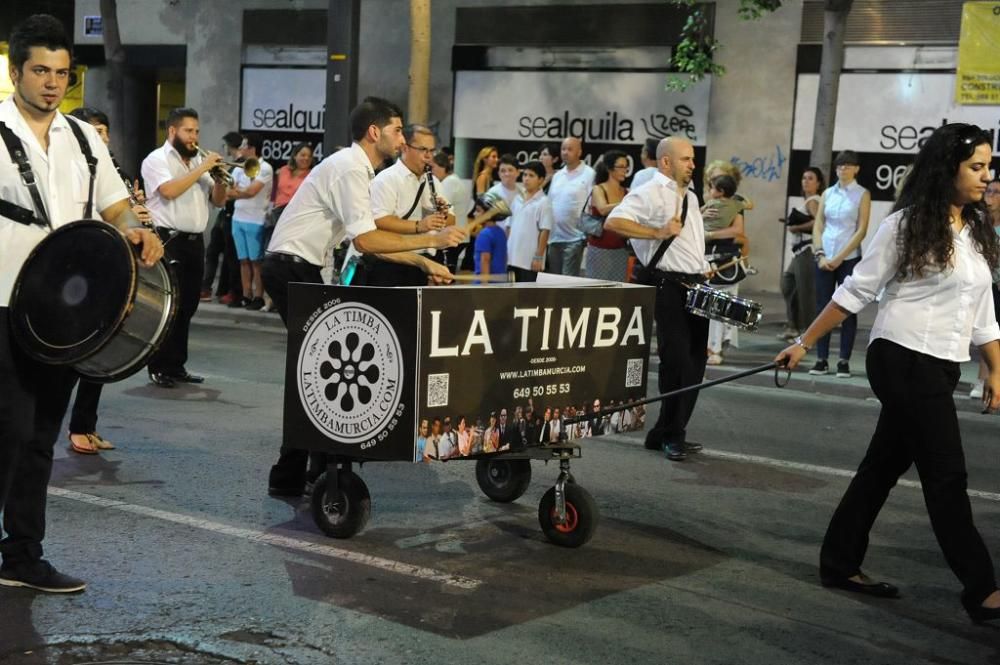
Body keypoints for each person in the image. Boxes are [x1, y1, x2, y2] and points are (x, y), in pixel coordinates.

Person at [776, 123, 1000, 623]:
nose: (987, 176)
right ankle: (982, 589)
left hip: (942, 363)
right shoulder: (906, 226)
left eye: (989, 166)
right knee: (947, 475)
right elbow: (856, 291)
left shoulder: (975, 229)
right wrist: (803, 342)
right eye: (977, 166)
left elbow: (983, 311)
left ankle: (839, 562)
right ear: (949, 169)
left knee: (882, 466)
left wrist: (994, 369)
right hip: (902, 357)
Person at [0, 14, 163, 593]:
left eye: (60, 72)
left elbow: (115, 206)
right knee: (9, 432)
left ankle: (22, 557)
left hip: (67, 315)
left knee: (42, 436)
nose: (50, 82)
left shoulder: (83, 138)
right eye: (40, 70)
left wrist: (135, 230)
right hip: (4, 305)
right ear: (16, 70)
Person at [261, 97, 464, 496]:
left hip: (303, 269)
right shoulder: (351, 168)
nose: (401, 138)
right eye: (396, 130)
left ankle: (305, 470)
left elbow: (372, 239)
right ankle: (297, 472)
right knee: (318, 372)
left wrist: (423, 262)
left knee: (320, 371)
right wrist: (430, 239)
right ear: (375, 132)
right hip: (291, 268)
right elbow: (368, 240)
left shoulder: (359, 169)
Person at [605, 137, 709, 462]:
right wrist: (656, 233)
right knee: (676, 361)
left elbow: (690, 243)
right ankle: (672, 436)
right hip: (667, 286)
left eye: (693, 159)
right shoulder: (650, 191)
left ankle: (664, 431)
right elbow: (614, 221)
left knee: (695, 362)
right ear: (666, 162)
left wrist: (703, 266)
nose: (693, 164)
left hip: (695, 286)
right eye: (686, 159)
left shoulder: (690, 196)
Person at [64, 106, 153, 455]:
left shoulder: (114, 169)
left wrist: (136, 216)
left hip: (110, 264)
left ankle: (85, 423)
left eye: (104, 131)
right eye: (94, 131)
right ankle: (72, 425)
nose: (101, 137)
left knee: (99, 349)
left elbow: (120, 211)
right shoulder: (70, 169)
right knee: (77, 352)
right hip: (79, 267)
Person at [141, 107, 227, 388]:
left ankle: (176, 365)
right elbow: (169, 191)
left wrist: (219, 180)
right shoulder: (157, 160)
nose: (194, 137)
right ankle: (158, 366)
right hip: (169, 240)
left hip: (194, 242)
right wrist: (202, 168)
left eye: (197, 131)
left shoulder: (198, 162)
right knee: (169, 306)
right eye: (189, 131)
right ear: (173, 131)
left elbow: (218, 202)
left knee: (188, 306)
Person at [360, 123, 455, 286]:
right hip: (393, 262)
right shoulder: (387, 179)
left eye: (432, 151)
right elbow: (379, 221)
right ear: (405, 148)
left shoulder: (433, 181)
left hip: (425, 260)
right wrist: (420, 225)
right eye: (423, 150)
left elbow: (452, 221)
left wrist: (442, 215)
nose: (429, 156)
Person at [809, 150, 871, 378]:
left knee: (847, 309)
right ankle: (821, 358)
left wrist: (839, 257)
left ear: (856, 169)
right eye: (839, 166)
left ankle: (843, 360)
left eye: (847, 166)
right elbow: (818, 225)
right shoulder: (827, 193)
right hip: (824, 257)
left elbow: (861, 230)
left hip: (849, 258)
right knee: (822, 307)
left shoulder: (862, 194)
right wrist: (820, 254)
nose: (842, 170)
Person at [701, 173, 748, 365]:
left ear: (719, 191)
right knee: (714, 308)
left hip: (723, 263)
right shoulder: (735, 205)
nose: (709, 191)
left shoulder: (720, 206)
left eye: (711, 186)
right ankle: (713, 347)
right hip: (713, 261)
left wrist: (709, 234)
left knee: (716, 309)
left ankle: (715, 349)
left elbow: (738, 232)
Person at [227, 132, 273, 310]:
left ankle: (258, 296)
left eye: (244, 146)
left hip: (256, 219)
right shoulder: (239, 168)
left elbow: (251, 192)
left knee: (256, 261)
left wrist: (238, 191)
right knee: (243, 260)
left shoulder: (266, 168)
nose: (241, 149)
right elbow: (230, 191)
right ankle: (246, 295)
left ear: (253, 148)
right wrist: (239, 191)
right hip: (238, 217)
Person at [779, 167, 825, 341]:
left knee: (806, 293)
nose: (806, 181)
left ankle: (807, 332)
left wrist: (796, 227)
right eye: (804, 178)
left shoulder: (814, 200)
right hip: (799, 250)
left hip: (807, 249)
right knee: (788, 284)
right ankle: (794, 326)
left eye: (811, 178)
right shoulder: (807, 200)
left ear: (818, 183)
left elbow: (818, 222)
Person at [201, 131, 243, 304]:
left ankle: (219, 290)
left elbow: (235, 188)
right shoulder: (232, 165)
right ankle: (209, 288)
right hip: (223, 212)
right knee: (213, 252)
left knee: (226, 255)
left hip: (231, 214)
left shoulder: (239, 165)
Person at [546, 137, 594, 276]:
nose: (565, 152)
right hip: (554, 238)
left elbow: (592, 204)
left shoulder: (589, 174)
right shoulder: (558, 175)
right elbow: (550, 204)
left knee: (567, 283)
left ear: (579, 152)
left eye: (570, 149)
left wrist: (586, 235)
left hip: (575, 238)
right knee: (553, 281)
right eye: (563, 149)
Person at [971, 177, 1000, 399]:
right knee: (985, 332)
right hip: (982, 285)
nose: (991, 195)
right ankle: (981, 379)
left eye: (996, 192)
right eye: (989, 190)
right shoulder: (978, 222)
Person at [584, 149, 630, 281]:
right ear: (610, 169)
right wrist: (626, 203)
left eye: (626, 167)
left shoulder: (627, 191)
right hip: (599, 249)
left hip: (621, 249)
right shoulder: (598, 188)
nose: (624, 170)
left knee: (617, 290)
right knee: (596, 290)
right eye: (620, 167)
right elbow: (603, 209)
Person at [505, 160, 552, 282]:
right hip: (512, 257)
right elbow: (509, 226)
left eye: (531, 176)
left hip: (529, 260)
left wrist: (539, 257)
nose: (526, 179)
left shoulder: (544, 202)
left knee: (527, 297)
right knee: (511, 294)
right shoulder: (517, 199)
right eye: (525, 175)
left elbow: (544, 231)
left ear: (541, 180)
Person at [431, 150, 472, 272]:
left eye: (433, 167)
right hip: (459, 234)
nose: (430, 171)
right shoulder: (455, 180)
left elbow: (441, 209)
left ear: (443, 167)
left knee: (446, 273)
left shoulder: (449, 182)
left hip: (454, 235)